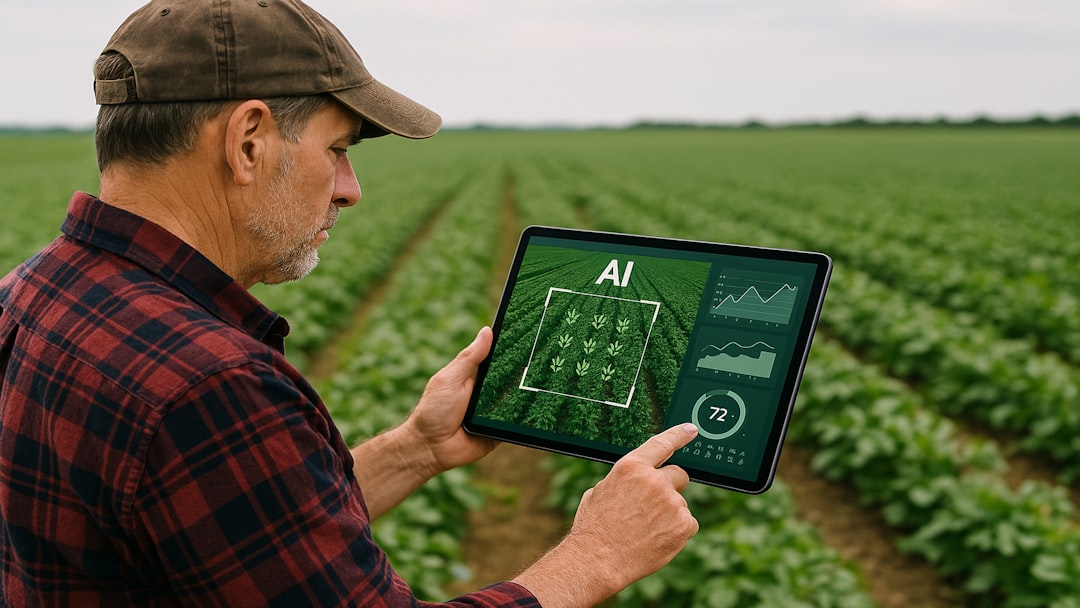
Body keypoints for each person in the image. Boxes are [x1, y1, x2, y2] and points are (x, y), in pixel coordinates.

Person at [0, 1, 699, 606]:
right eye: (336, 148)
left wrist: (416, 449)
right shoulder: (210, 384)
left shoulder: (27, 294)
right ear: (247, 143)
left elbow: (248, 531)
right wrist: (596, 556)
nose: (350, 188)